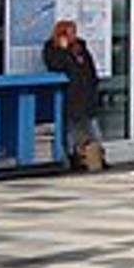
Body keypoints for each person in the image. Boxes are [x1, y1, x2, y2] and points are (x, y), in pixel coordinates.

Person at [42, 19, 104, 171]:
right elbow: (56, 66)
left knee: (92, 126)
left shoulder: (80, 47)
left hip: (85, 93)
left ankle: (98, 155)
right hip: (70, 94)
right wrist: (63, 51)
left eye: (74, 32)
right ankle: (72, 157)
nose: (73, 36)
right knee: (70, 127)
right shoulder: (52, 50)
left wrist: (93, 85)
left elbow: (90, 68)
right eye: (69, 33)